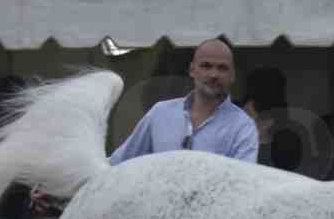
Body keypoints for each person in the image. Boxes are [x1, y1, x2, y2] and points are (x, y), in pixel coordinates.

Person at [109, 39, 257, 165]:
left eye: (222, 68)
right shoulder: (160, 113)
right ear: (192, 70)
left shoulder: (242, 127)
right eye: (206, 66)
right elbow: (120, 162)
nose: (214, 74)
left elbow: (243, 186)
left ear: (232, 76)